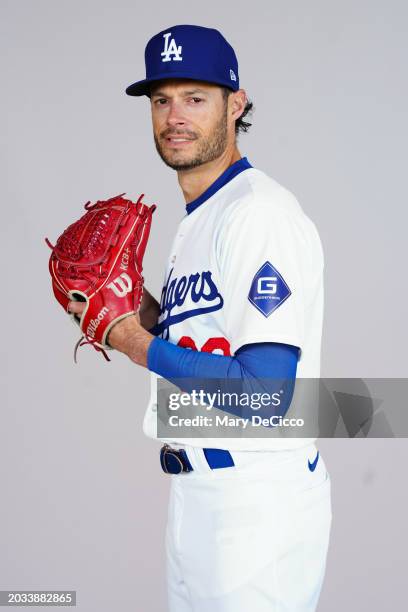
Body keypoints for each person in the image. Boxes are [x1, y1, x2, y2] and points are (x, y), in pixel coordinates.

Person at [69, 24, 332, 612]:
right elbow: (205, 342)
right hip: (201, 498)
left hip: (257, 505)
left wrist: (134, 342)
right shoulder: (201, 218)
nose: (174, 116)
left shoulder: (258, 213)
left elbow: (265, 394)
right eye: (161, 100)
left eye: (195, 98)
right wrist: (125, 307)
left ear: (236, 106)